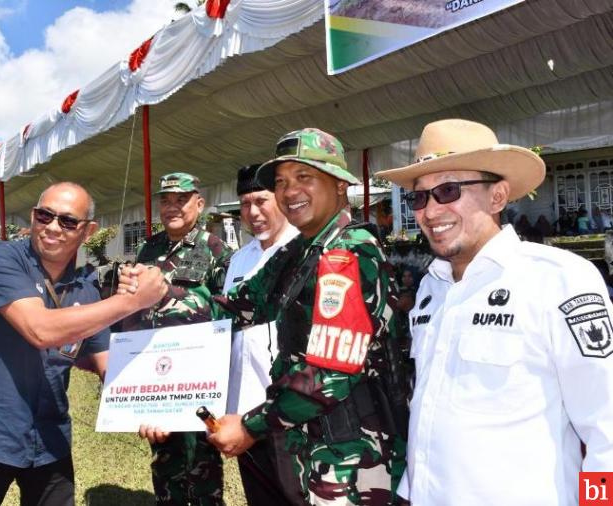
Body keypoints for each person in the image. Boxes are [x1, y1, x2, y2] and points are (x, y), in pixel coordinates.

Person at [130, 129, 406, 505]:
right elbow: (238, 305)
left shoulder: (348, 253)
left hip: (351, 459)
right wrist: (163, 297)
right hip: (307, 445)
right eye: (281, 182)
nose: (290, 191)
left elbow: (329, 374)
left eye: (304, 177)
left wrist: (249, 425)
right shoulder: (302, 251)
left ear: (341, 186)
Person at [375, 118, 613, 506]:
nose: (431, 211)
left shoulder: (558, 280)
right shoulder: (431, 289)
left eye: (448, 190)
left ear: (498, 197)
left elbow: (607, 426)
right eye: (419, 197)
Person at [0, 182, 167, 506]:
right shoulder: (0, 259)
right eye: (45, 216)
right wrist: (129, 302)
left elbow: (107, 363)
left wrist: (153, 406)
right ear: (33, 217)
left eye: (68, 221)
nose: (53, 227)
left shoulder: (85, 293)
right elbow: (39, 329)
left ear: (88, 231)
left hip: (49, 442)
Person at [122, 172, 233, 506]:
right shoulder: (149, 248)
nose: (172, 207)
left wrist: (175, 295)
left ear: (198, 203)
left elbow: (228, 309)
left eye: (180, 199)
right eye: (165, 200)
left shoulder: (216, 249)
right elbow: (136, 307)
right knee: (165, 455)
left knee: (202, 458)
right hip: (158, 370)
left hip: (199, 371)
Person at [222, 164, 298, 506]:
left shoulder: (305, 252)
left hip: (291, 413)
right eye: (245, 203)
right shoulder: (239, 260)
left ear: (281, 197)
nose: (253, 213)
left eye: (262, 201)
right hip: (244, 410)